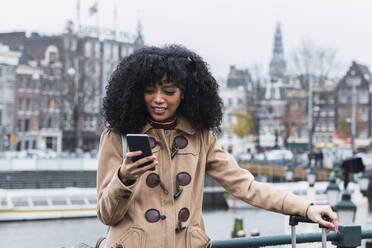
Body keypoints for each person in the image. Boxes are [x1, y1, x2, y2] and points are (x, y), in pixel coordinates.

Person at [97, 45, 338, 248]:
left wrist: (306, 208)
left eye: (169, 91)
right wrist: (124, 178)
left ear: (184, 94)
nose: (158, 99)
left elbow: (245, 186)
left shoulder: (200, 136)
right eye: (149, 91)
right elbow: (107, 214)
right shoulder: (117, 135)